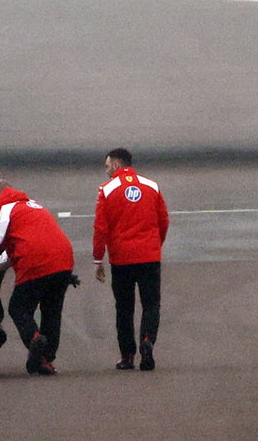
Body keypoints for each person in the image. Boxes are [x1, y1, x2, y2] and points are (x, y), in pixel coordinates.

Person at [0, 181, 75, 376]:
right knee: (52, 312)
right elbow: (21, 243)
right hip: (63, 261)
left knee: (19, 307)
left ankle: (34, 337)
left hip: (35, 262)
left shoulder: (5, 209)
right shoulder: (34, 206)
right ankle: (46, 360)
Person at [93, 147, 169, 371]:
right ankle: (147, 340)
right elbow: (163, 221)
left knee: (124, 308)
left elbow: (100, 228)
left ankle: (127, 355)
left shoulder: (106, 190)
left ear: (116, 165)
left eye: (107, 166)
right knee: (151, 304)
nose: (106, 171)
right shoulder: (151, 186)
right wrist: (155, 244)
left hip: (122, 259)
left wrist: (98, 259)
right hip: (149, 256)